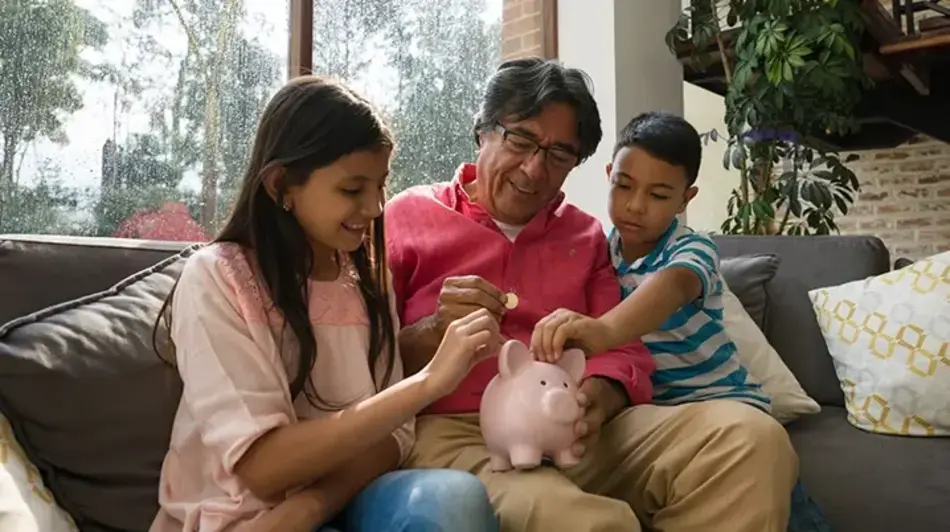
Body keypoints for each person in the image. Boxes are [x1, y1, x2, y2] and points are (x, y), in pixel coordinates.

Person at [385, 57, 798, 532]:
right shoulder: (407, 216)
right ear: (483, 131)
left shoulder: (586, 237)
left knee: (750, 441)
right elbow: (361, 362)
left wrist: (601, 395)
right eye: (520, 140)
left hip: (578, 430)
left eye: (559, 154)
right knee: (580, 520)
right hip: (459, 433)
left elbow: (623, 349)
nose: (535, 169)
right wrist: (433, 330)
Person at [149, 76, 500, 532]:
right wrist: (429, 382)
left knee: (455, 500)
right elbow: (263, 467)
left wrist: (314, 504)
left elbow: (395, 434)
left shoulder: (367, 277)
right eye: (352, 190)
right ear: (281, 185)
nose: (376, 207)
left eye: (381, 185)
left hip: (347, 496)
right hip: (239, 515)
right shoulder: (218, 277)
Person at [530, 111, 830, 532]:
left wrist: (605, 331)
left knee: (781, 505)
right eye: (624, 185)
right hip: (652, 419)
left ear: (685, 199)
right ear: (609, 174)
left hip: (721, 408)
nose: (636, 205)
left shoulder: (692, 249)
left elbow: (673, 286)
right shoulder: (599, 251)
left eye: (658, 195)